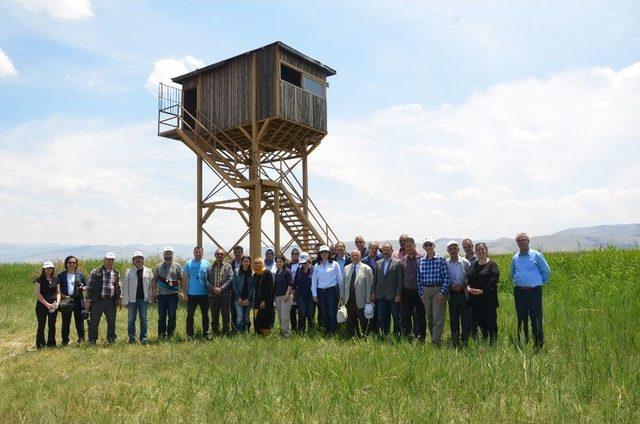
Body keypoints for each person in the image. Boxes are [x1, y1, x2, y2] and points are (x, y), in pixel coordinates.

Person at [511, 232, 550, 348]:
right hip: (519, 291)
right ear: (517, 243)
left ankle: (538, 343)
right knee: (521, 316)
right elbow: (513, 273)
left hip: (534, 291)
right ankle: (524, 340)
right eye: (519, 241)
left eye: (523, 240)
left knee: (536, 317)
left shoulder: (537, 255)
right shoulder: (515, 258)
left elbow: (546, 271)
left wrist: (537, 282)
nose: (521, 242)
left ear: (528, 241)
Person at [417, 238, 450, 347]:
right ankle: (434, 338)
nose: (428, 246)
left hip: (438, 290)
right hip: (426, 291)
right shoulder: (421, 261)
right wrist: (421, 294)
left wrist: (442, 292)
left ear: (434, 246)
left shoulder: (441, 259)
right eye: (426, 245)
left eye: (430, 244)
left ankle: (436, 342)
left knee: (438, 317)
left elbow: (446, 277)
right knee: (430, 317)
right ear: (423, 247)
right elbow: (419, 279)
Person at [467, 242, 500, 345]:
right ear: (475, 252)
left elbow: (494, 280)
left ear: (486, 250)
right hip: (475, 300)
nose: (480, 251)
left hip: (488, 299)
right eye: (478, 250)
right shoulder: (473, 265)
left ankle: (493, 343)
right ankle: (484, 342)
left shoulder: (492, 264)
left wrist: (482, 291)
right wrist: (468, 288)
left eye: (482, 249)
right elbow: (468, 280)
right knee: (479, 322)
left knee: (491, 322)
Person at [86, 252, 121, 344]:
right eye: (108, 259)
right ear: (104, 260)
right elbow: (89, 286)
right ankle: (92, 340)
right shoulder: (96, 271)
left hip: (110, 301)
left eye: (112, 260)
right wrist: (88, 300)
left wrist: (119, 299)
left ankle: (111, 340)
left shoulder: (116, 272)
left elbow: (118, 287)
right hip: (97, 301)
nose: (110, 261)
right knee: (94, 322)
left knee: (111, 322)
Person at [340, 249, 373, 338]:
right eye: (353, 255)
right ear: (350, 257)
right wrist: (342, 296)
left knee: (363, 319)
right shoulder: (346, 268)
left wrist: (368, 300)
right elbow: (343, 283)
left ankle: (365, 336)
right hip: (349, 298)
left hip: (361, 299)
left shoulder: (367, 269)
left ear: (360, 257)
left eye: (357, 255)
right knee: (350, 319)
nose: (355, 257)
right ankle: (352, 335)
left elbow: (369, 286)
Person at [372, 243, 403, 338]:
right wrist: (373, 292)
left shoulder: (398, 262)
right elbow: (375, 279)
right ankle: (386, 335)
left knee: (396, 317)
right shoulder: (378, 263)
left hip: (393, 296)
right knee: (383, 317)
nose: (385, 251)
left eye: (388, 249)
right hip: (380, 296)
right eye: (384, 250)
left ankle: (397, 335)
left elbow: (400, 281)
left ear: (391, 250)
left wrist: (398, 294)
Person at [122, 251, 153, 344]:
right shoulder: (129, 272)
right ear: (133, 260)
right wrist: (125, 301)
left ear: (143, 260)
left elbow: (151, 286)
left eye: (140, 258)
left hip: (144, 300)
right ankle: (132, 339)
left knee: (144, 319)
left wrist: (151, 299)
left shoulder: (148, 271)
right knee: (131, 320)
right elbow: (125, 287)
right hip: (132, 300)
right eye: (136, 258)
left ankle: (143, 338)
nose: (138, 260)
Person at [152, 246, 182, 339]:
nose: (168, 255)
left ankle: (171, 334)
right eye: (166, 253)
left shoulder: (177, 266)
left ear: (172, 255)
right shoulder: (158, 266)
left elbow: (181, 280)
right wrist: (153, 293)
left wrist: (181, 292)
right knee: (161, 316)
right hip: (161, 296)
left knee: (172, 316)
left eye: (169, 253)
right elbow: (154, 280)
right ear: (163, 255)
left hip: (173, 296)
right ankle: (161, 335)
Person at [446, 241, 471, 347]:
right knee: (453, 317)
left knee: (465, 318)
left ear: (458, 250)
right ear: (448, 251)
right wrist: (450, 286)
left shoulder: (465, 262)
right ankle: (455, 340)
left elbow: (469, 277)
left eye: (455, 248)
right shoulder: (445, 263)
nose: (453, 250)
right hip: (451, 293)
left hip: (463, 293)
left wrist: (463, 285)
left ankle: (464, 339)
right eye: (450, 249)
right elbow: (444, 277)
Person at [312, 245, 342, 336]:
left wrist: (341, 293)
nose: (324, 254)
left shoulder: (334, 264)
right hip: (321, 291)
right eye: (322, 252)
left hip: (331, 291)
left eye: (326, 252)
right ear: (319, 254)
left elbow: (339, 279)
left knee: (332, 311)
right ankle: (327, 330)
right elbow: (314, 281)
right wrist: (314, 294)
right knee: (324, 312)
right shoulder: (317, 265)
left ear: (329, 253)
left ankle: (333, 330)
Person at [400, 238, 426, 340]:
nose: (409, 248)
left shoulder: (422, 258)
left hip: (419, 291)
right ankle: (408, 335)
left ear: (414, 245)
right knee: (406, 314)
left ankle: (422, 335)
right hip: (406, 292)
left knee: (420, 314)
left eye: (410, 246)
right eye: (406, 247)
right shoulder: (404, 260)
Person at [57, 255, 87, 345]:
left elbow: (86, 285)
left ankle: (81, 339)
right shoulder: (61, 275)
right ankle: (65, 341)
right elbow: (58, 290)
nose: (72, 264)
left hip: (78, 300)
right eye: (70, 263)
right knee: (66, 322)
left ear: (76, 264)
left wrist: (83, 288)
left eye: (74, 263)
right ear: (66, 264)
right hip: (66, 301)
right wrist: (63, 296)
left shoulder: (80, 275)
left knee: (80, 321)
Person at [183, 246, 211, 338]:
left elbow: (210, 279)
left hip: (204, 294)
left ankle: (206, 333)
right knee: (190, 315)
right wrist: (185, 294)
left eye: (200, 252)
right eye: (196, 252)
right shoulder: (188, 264)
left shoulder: (207, 264)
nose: (198, 253)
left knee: (205, 315)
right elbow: (184, 279)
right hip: (192, 294)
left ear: (203, 253)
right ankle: (190, 334)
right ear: (193, 253)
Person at [206, 248, 233, 336]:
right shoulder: (209, 267)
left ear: (224, 256)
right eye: (218, 254)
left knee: (225, 315)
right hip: (213, 295)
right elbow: (206, 280)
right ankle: (215, 333)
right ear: (215, 255)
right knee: (214, 315)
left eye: (221, 254)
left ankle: (226, 333)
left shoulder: (228, 266)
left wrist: (221, 288)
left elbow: (230, 279)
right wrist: (213, 288)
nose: (220, 256)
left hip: (224, 295)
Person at [34, 261, 60, 348]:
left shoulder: (56, 279)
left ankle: (51, 343)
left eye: (51, 268)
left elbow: (58, 292)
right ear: (44, 269)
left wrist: (57, 303)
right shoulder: (39, 280)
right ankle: (40, 344)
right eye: (47, 268)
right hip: (42, 305)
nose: (49, 270)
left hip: (53, 305)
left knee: (52, 324)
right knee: (41, 324)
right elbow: (38, 294)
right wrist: (47, 304)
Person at [252, 257, 275, 335]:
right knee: (256, 316)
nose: (258, 264)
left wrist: (263, 300)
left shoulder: (267, 273)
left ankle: (265, 334)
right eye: (256, 263)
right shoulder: (255, 274)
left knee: (264, 317)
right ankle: (257, 333)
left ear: (263, 263)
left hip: (266, 300)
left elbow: (269, 288)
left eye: (259, 262)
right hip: (257, 299)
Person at [293, 251, 315, 334]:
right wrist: (293, 295)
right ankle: (301, 331)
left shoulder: (314, 269)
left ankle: (311, 331)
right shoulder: (299, 269)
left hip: (311, 295)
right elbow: (294, 283)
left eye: (305, 262)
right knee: (302, 314)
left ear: (309, 260)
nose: (303, 264)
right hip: (300, 295)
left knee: (310, 314)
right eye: (302, 262)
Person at [273, 254, 294, 337]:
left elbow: (290, 284)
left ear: (284, 262)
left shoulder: (287, 271)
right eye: (277, 262)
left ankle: (287, 334)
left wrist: (287, 295)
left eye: (280, 261)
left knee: (285, 316)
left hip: (286, 297)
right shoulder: (277, 272)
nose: (279, 263)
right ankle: (282, 332)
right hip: (278, 297)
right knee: (280, 316)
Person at [232, 255, 254, 333]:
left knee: (247, 317)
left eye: (248, 261)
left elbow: (252, 288)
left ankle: (247, 331)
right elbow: (234, 286)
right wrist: (238, 297)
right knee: (240, 317)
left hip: (248, 299)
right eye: (244, 261)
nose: (246, 263)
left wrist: (249, 299)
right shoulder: (236, 272)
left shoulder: (252, 273)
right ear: (241, 262)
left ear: (250, 263)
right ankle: (239, 332)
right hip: (238, 299)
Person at [288, 248, 301, 331]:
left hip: (299, 291)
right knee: (292, 311)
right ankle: (293, 328)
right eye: (293, 254)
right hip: (291, 291)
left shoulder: (301, 264)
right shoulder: (289, 265)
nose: (295, 255)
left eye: (296, 254)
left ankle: (301, 328)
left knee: (300, 311)